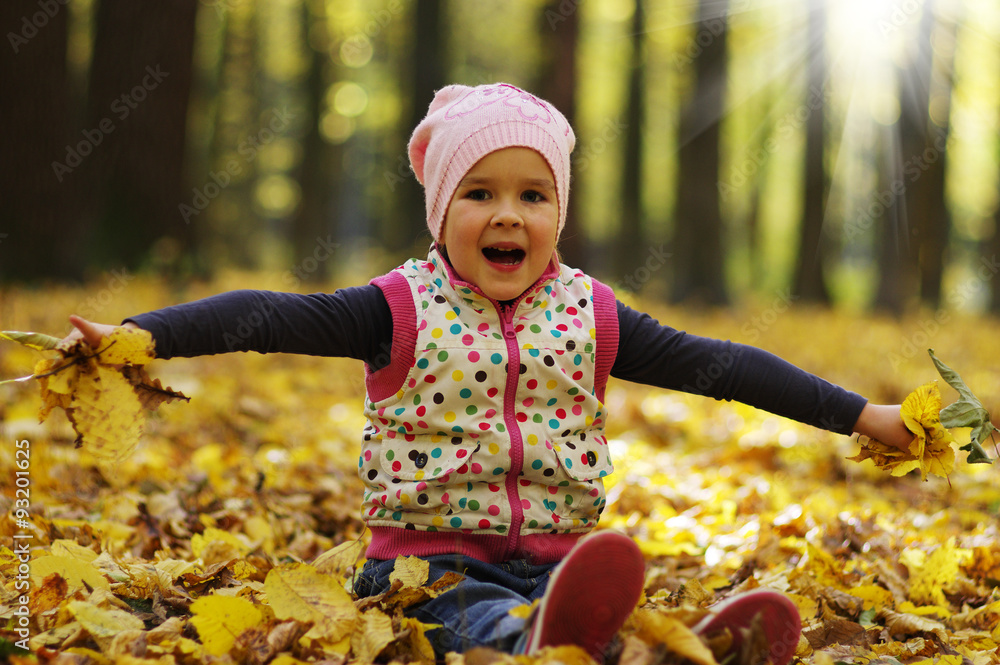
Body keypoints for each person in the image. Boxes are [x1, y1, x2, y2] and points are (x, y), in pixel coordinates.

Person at [64, 82, 913, 663]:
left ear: (557, 213)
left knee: (597, 596)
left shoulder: (593, 315)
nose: (507, 213)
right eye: (478, 193)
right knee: (468, 615)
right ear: (442, 213)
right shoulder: (397, 308)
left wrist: (860, 415)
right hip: (429, 564)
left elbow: (724, 365)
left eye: (533, 195)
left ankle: (660, 641)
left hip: (556, 557)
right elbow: (263, 314)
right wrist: (138, 335)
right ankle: (546, 639)